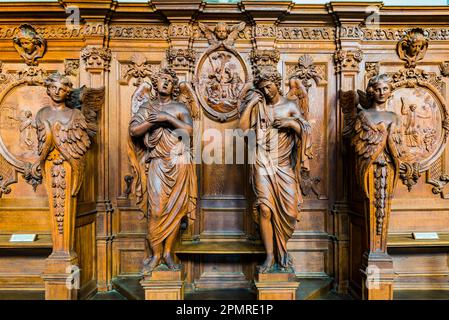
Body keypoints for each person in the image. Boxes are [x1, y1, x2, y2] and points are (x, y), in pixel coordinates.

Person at [239, 66, 310, 273]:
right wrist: (251, 103)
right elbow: (243, 130)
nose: (267, 91)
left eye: (269, 86)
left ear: (276, 84)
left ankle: (282, 251)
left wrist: (290, 123)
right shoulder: (258, 106)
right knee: (265, 209)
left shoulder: (289, 106)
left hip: (283, 165)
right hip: (262, 162)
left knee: (289, 212)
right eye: (262, 88)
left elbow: (305, 129)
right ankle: (270, 256)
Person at [129, 68, 197, 274]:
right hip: (158, 162)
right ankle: (156, 254)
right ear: (156, 84)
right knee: (157, 210)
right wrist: (152, 120)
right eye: (162, 80)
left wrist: (167, 118)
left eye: (169, 80)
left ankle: (167, 253)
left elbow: (188, 132)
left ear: (173, 86)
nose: (165, 83)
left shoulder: (179, 107)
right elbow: (133, 131)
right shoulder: (147, 106)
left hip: (179, 162)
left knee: (175, 211)